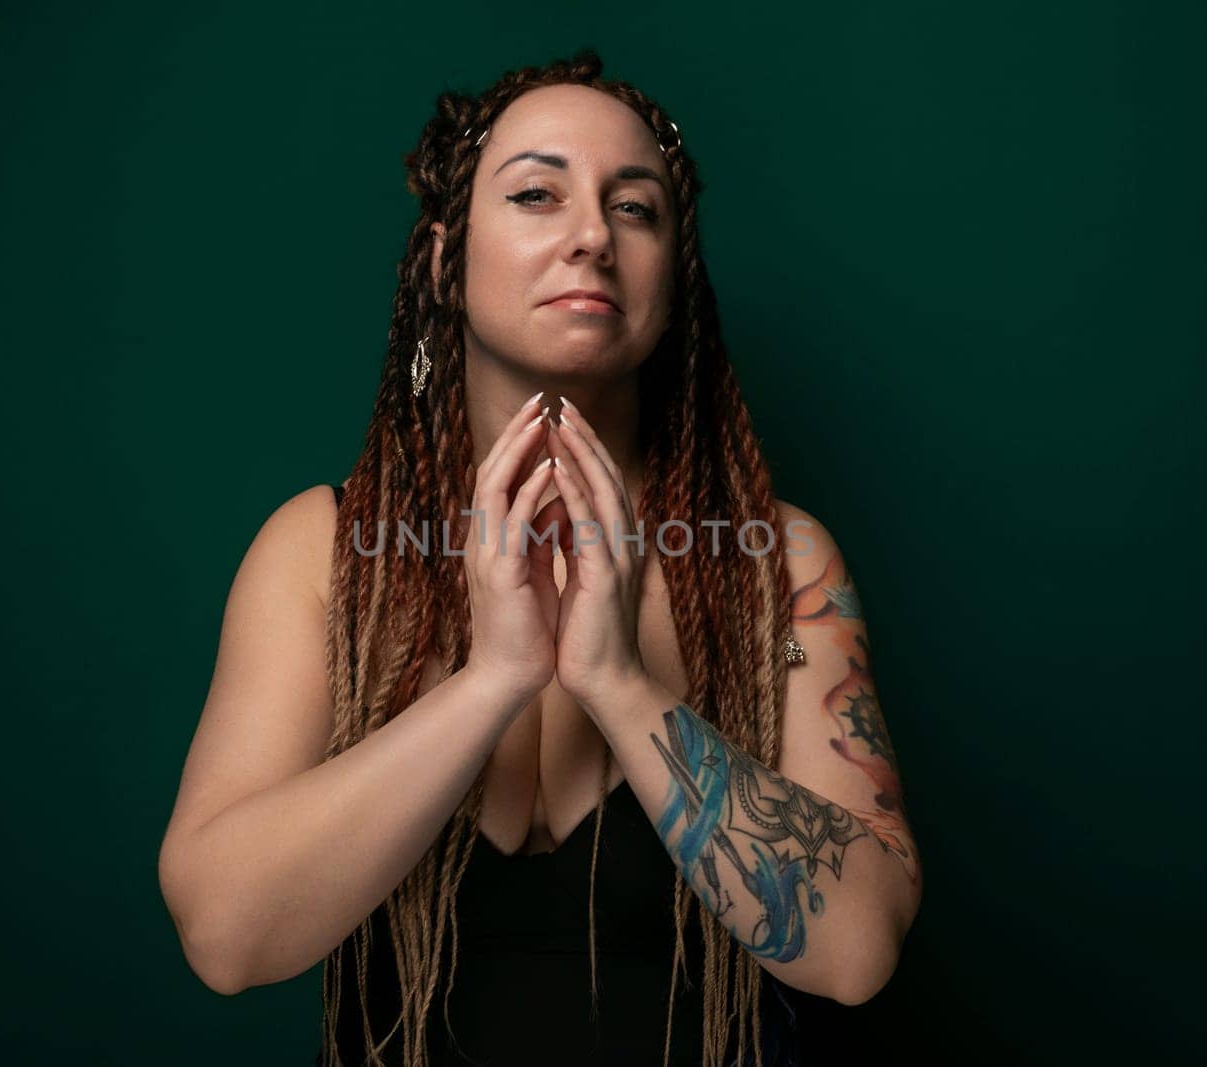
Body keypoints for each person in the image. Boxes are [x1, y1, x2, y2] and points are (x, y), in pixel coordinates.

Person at [157, 50, 923, 1067]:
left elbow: (856, 950)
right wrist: (495, 679)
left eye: (636, 208)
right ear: (441, 262)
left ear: (670, 276)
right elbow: (226, 935)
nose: (594, 235)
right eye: (535, 193)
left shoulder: (776, 563)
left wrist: (614, 679)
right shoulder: (326, 553)